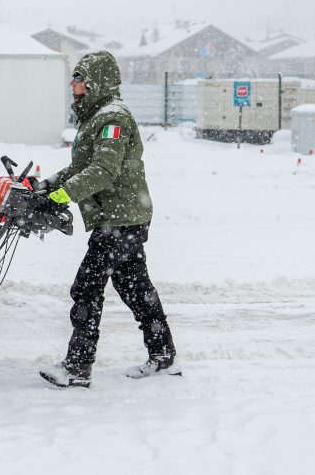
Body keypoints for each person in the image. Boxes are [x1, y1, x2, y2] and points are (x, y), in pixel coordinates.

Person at [38, 50, 179, 388]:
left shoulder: (113, 118)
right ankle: (163, 355)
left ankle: (77, 367)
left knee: (87, 288)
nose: (73, 85)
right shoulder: (98, 116)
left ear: (96, 81)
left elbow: (102, 171)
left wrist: (63, 195)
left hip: (120, 219)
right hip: (120, 218)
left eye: (79, 78)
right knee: (134, 287)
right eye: (74, 78)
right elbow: (80, 168)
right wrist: (47, 185)